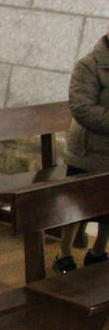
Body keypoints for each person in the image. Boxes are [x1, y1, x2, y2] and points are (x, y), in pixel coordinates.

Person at [58, 29, 109, 271]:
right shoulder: (89, 65)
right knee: (76, 207)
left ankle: (98, 251)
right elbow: (82, 108)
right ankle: (64, 254)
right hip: (87, 152)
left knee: (108, 209)